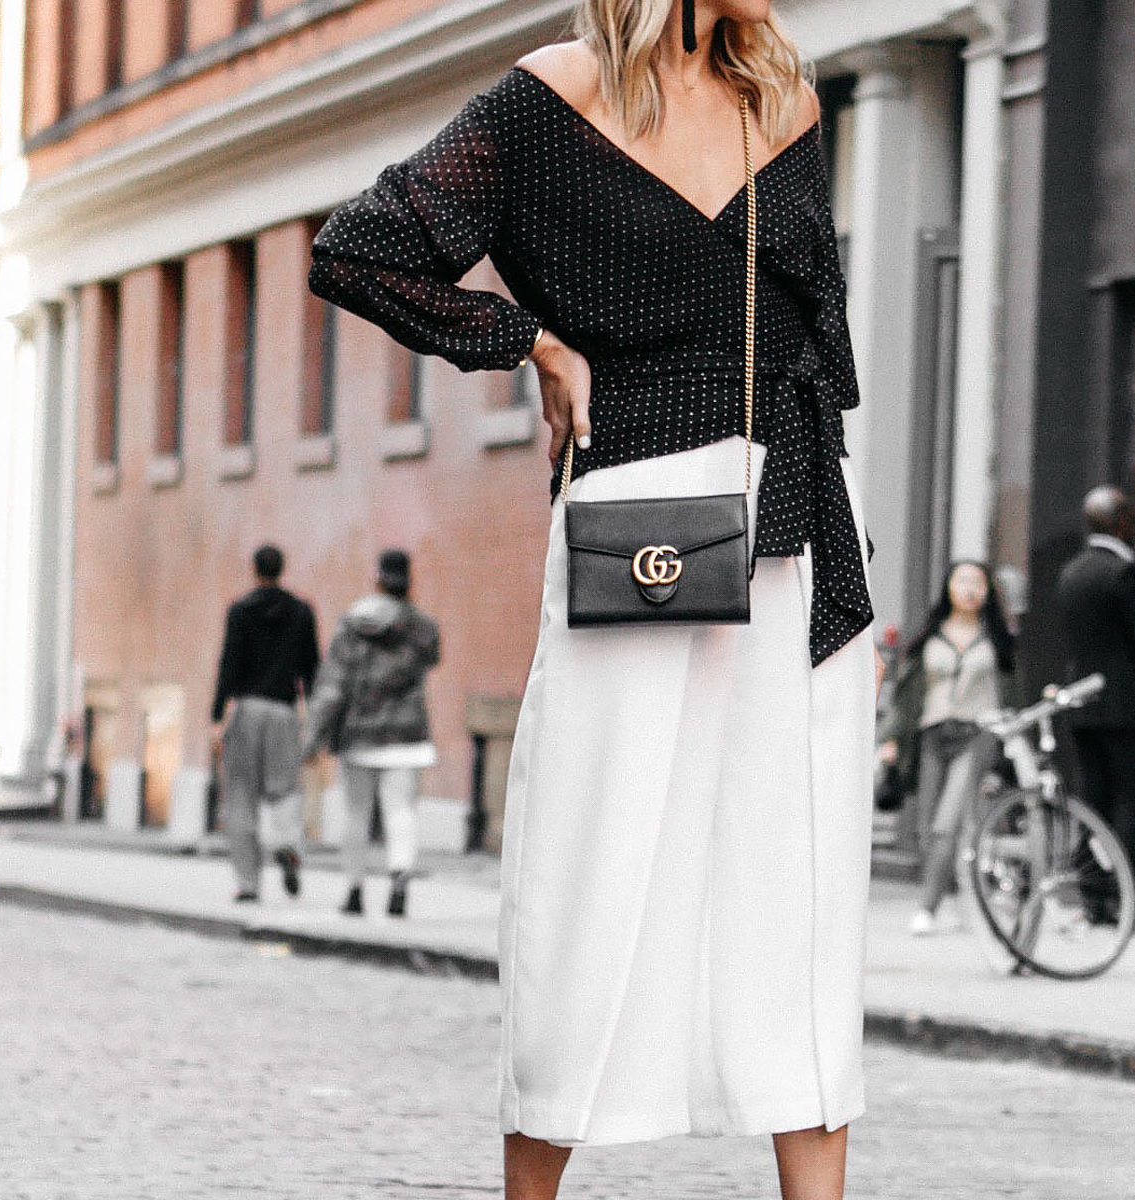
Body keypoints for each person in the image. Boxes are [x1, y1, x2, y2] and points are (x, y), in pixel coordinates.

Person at [309, 2, 879, 1194]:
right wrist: (532, 343)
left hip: (798, 520)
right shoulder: (547, 99)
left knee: (802, 875)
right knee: (594, 853)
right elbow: (355, 249)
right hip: (642, 520)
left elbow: (810, 332)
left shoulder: (786, 100)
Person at [1054, 486, 1135, 929]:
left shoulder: (1070, 572)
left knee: (1094, 798)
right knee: (1129, 799)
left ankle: (1093, 896)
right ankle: (1125, 897)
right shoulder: (1123, 572)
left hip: (1083, 703)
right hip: (1125, 706)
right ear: (1121, 522)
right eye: (1133, 519)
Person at [303, 550, 441, 918]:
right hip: (408, 736)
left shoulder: (352, 625)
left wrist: (313, 736)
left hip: (359, 735)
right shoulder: (423, 628)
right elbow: (431, 656)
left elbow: (333, 686)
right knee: (401, 812)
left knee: (356, 814)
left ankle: (354, 890)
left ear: (376, 579)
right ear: (409, 581)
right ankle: (398, 881)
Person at [881, 561, 1016, 935]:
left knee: (946, 824)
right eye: (963, 581)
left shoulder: (996, 637)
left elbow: (1009, 688)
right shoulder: (930, 635)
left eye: (978, 583)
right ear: (949, 588)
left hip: (976, 734)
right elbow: (908, 697)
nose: (971, 589)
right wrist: (890, 739)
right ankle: (962, 895)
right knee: (927, 828)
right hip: (932, 733)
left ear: (987, 591)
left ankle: (927, 907)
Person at [211, 545, 320, 904]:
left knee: (240, 798)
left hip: (247, 708)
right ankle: (287, 843)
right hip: (285, 711)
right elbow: (312, 670)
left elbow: (228, 665)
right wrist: (314, 721)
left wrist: (216, 716)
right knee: (285, 789)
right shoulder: (301, 612)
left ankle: (248, 883)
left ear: (254, 570)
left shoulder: (240, 611)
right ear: (282, 569)